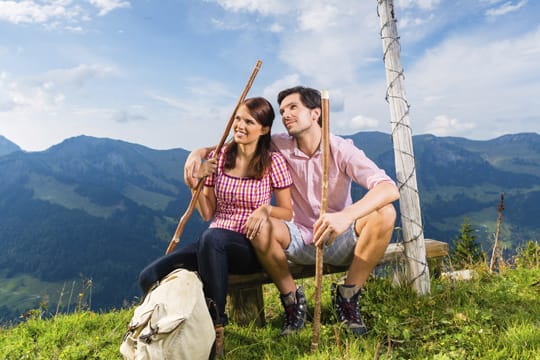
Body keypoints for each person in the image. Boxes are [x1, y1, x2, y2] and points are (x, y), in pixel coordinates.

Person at [184, 86, 400, 337]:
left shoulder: (341, 149)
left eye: (293, 107)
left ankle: (348, 296)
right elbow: (236, 144)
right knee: (259, 224)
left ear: (316, 114)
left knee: (385, 214)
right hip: (297, 237)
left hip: (338, 236)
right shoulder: (279, 144)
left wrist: (345, 216)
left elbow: (388, 188)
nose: (285, 114)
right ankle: (292, 301)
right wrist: (197, 153)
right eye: (283, 110)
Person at [139, 96, 293, 357]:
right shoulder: (220, 157)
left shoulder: (272, 162)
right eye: (237, 119)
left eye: (249, 121)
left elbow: (287, 212)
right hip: (214, 243)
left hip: (250, 245)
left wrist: (266, 209)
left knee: (212, 239)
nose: (240, 126)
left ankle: (215, 330)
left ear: (264, 129)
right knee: (149, 276)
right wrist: (195, 183)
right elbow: (208, 212)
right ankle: (174, 325)